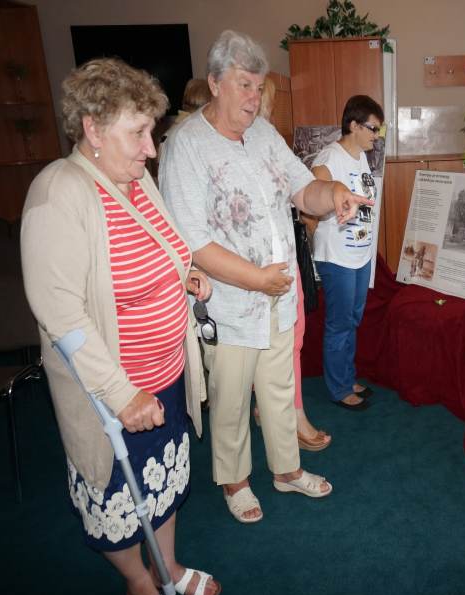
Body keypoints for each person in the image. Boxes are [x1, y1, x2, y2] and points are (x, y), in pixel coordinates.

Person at [20, 58, 221, 595]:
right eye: (137, 133)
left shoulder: (134, 181)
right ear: (92, 128)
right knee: (115, 496)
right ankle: (139, 581)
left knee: (164, 481)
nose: (150, 149)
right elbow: (60, 311)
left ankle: (169, 567)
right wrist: (121, 393)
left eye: (150, 133)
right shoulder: (57, 194)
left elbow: (169, 249)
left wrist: (190, 275)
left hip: (164, 377)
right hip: (112, 393)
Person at [160, 30, 371, 523]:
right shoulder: (185, 146)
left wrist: (334, 192)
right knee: (231, 399)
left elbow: (303, 191)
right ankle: (235, 482)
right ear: (214, 84)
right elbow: (192, 242)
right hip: (232, 303)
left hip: (279, 292)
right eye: (244, 86)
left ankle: (287, 470)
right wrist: (257, 280)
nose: (254, 99)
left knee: (279, 391)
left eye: (258, 87)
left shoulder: (263, 135)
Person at [256, 74, 331, 451]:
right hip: (265, 270)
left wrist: (327, 188)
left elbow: (305, 191)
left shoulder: (269, 145)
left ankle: (280, 411)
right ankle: (294, 418)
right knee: (287, 344)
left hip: (284, 259)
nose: (266, 115)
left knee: (291, 341)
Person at [311, 95, 383, 410]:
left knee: (351, 321)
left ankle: (347, 375)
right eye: (372, 128)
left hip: (359, 255)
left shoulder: (361, 158)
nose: (376, 135)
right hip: (337, 256)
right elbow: (314, 192)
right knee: (339, 323)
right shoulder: (330, 156)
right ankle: (339, 388)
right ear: (353, 125)